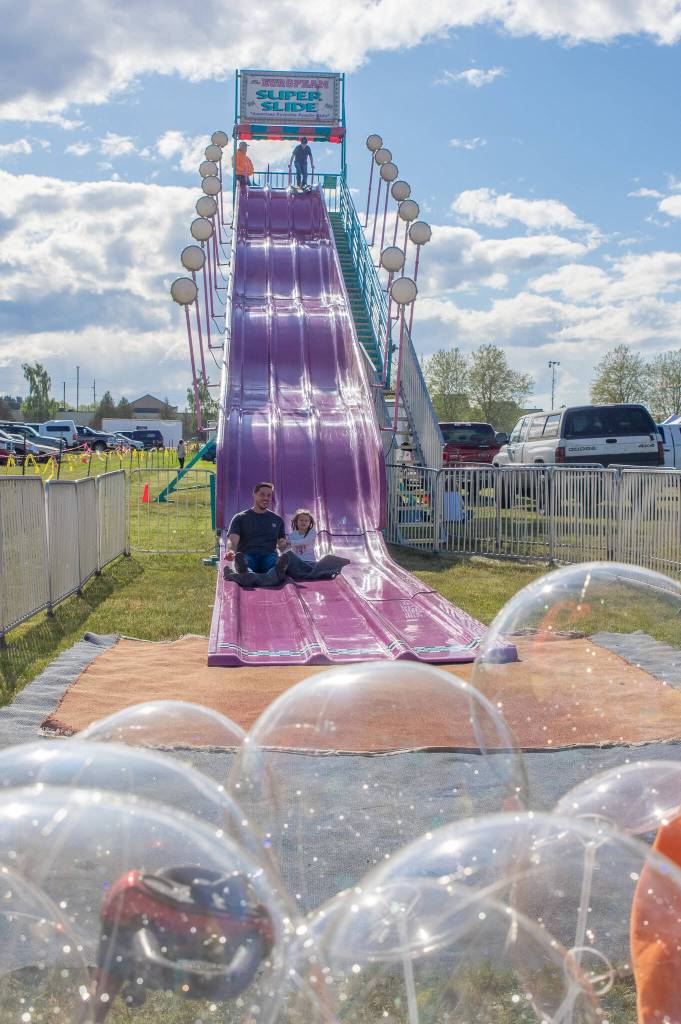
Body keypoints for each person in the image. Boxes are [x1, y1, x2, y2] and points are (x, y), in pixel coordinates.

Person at [224, 482, 288, 581]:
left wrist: (283, 544)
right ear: (254, 494)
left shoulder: (277, 519)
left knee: (273, 562)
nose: (266, 498)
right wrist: (231, 551)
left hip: (268, 555)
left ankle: (275, 571)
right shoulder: (240, 518)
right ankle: (245, 572)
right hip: (247, 554)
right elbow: (232, 540)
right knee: (245, 561)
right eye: (262, 494)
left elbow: (281, 541)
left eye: (269, 495)